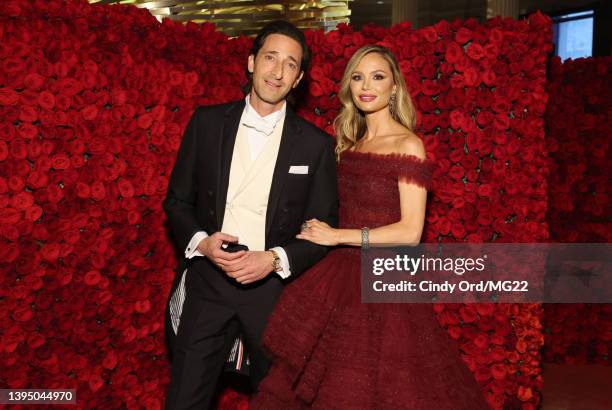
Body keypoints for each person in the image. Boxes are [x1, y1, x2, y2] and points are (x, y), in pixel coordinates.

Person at [250, 45, 489, 409]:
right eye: (358, 77)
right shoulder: (348, 144)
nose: (367, 85)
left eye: (378, 77)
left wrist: (337, 236)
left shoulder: (409, 144)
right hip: (336, 281)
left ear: (394, 87)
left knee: (375, 388)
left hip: (383, 283)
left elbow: (410, 232)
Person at [162, 20, 339, 409]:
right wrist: (202, 243)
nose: (277, 71)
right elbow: (177, 201)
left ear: (299, 79)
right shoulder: (206, 123)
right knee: (184, 399)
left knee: (276, 401)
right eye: (270, 58)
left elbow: (321, 230)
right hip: (208, 283)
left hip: (274, 293)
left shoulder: (316, 146)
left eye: (290, 64)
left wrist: (274, 259)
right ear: (251, 62)